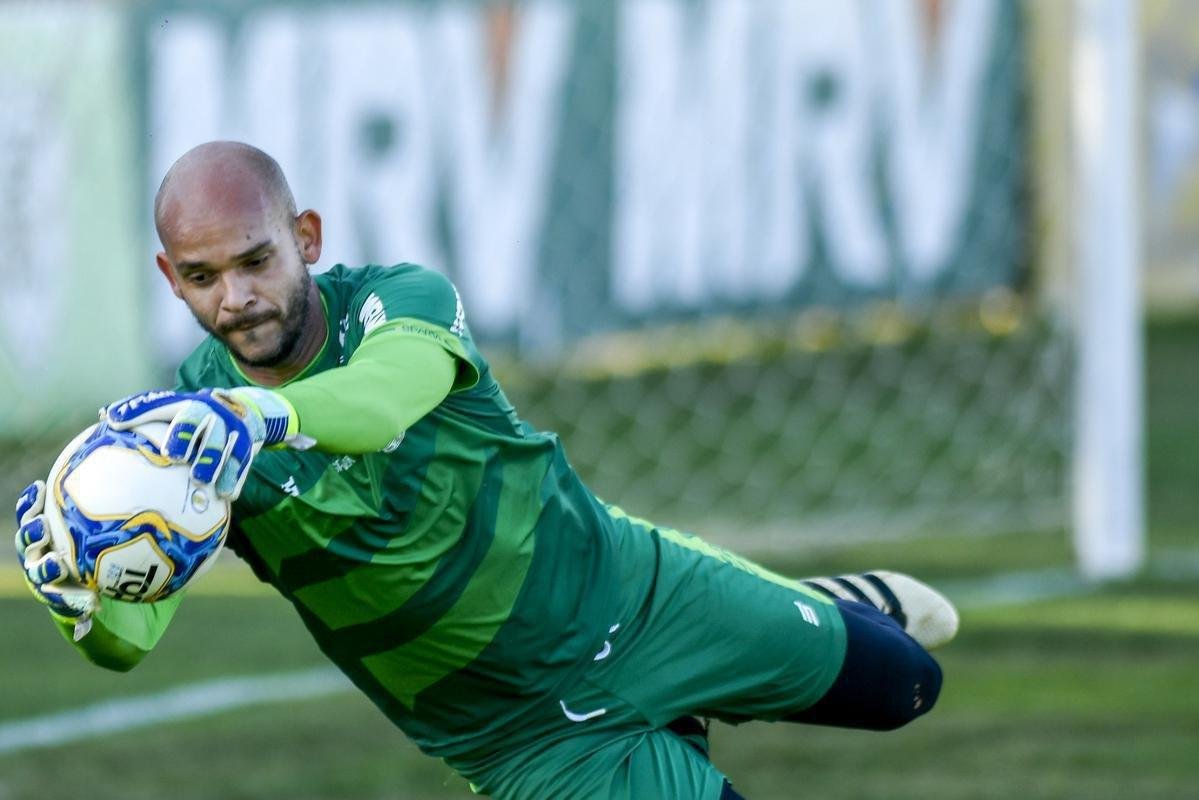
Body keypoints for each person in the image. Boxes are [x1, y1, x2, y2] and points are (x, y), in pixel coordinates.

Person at [13, 141, 958, 799]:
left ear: (305, 235)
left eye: (256, 259)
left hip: (634, 588)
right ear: (170, 277)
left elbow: (382, 399)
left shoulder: (399, 300)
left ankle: (788, 625)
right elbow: (133, 636)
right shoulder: (176, 441)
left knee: (910, 685)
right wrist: (78, 600)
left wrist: (255, 415)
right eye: (204, 276)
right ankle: (661, 739)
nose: (238, 297)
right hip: (527, 736)